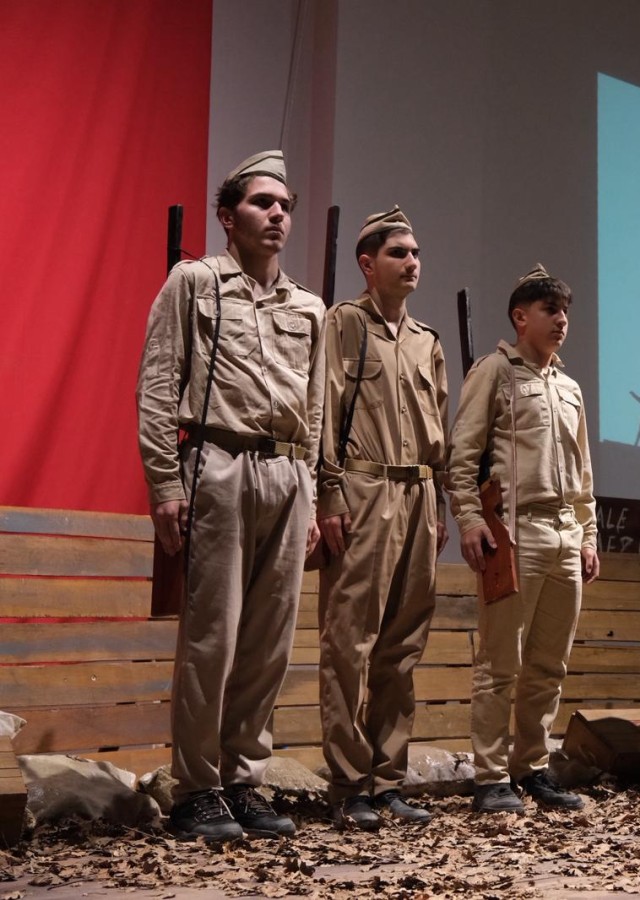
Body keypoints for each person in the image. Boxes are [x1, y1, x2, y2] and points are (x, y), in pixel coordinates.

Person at [136, 150, 324, 841]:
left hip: (288, 473)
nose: (277, 215)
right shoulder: (194, 283)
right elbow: (159, 383)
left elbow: (315, 406)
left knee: (269, 640)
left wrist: (312, 490)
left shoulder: (308, 306)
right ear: (226, 216)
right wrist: (165, 482)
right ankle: (196, 787)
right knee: (211, 636)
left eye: (284, 206)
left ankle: (244, 778)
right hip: (217, 462)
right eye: (261, 202)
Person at [447, 264, 599, 813]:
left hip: (564, 532)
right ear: (520, 317)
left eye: (565, 312)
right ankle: (491, 777)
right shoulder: (494, 371)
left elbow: (583, 472)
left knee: (549, 665)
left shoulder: (569, 387)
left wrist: (588, 533)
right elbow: (462, 454)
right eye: (549, 310)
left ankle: (531, 768)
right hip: (515, 531)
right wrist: (470, 519)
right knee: (500, 665)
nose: (561, 320)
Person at [316, 207, 450, 830]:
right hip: (365, 488)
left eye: (416, 251)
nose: (413, 261)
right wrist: (331, 495)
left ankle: (388, 778)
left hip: (419, 494)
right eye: (399, 252)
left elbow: (438, 428)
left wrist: (440, 503)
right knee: (350, 642)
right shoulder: (344, 323)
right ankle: (350, 784)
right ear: (368, 264)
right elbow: (324, 410)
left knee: (403, 645)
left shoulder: (427, 340)